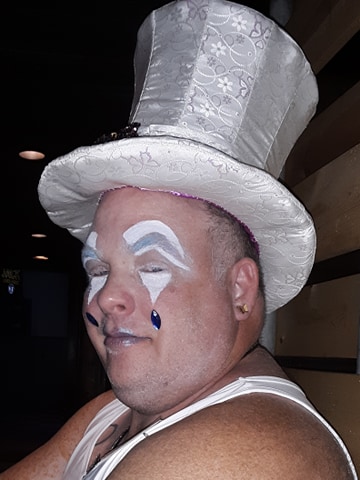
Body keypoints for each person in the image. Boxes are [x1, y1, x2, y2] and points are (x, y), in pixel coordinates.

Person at [1, 0, 357, 478]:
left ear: (239, 290)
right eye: (98, 269)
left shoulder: (235, 456)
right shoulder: (112, 412)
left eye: (151, 264)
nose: (106, 298)